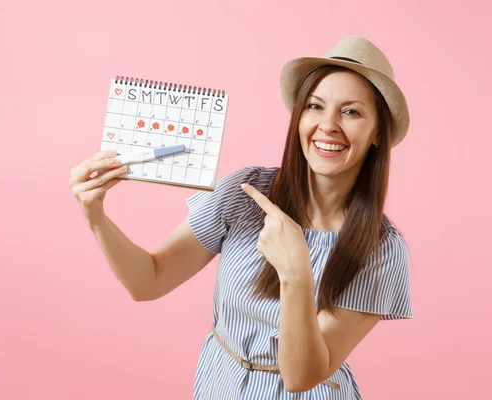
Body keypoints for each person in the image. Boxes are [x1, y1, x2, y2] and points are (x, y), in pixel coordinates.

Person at [69, 36, 414, 399]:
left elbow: (301, 376)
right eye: (315, 106)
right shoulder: (245, 192)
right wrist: (95, 215)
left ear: (378, 133)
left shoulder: (382, 252)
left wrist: (296, 273)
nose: (328, 125)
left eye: (351, 112)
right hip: (221, 383)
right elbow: (149, 281)